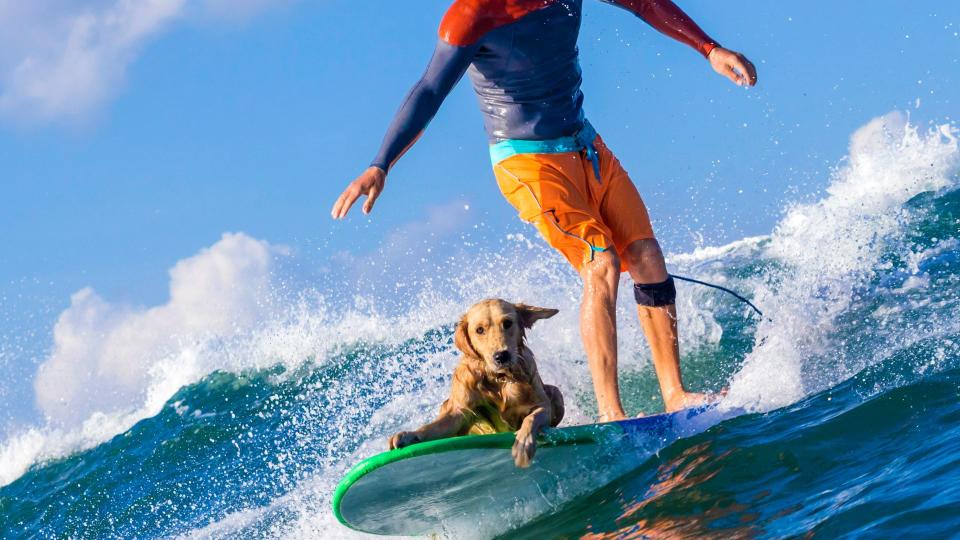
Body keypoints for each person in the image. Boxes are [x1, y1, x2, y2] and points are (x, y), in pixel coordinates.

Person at [331, 0, 757, 421]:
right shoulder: (471, 14)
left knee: (647, 257)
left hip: (586, 146)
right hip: (526, 161)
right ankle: (611, 413)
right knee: (602, 262)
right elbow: (428, 89)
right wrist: (380, 163)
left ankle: (674, 394)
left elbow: (643, 2)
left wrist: (709, 48)